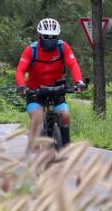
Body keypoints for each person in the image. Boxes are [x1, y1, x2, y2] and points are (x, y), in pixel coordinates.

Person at [15, 18, 86, 148]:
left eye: (53, 37)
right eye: (46, 36)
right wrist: (21, 85)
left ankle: (64, 147)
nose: (49, 39)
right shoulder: (31, 50)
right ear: (40, 36)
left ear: (58, 36)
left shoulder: (63, 47)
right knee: (37, 118)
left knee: (65, 115)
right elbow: (20, 70)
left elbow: (73, 65)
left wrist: (79, 81)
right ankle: (36, 153)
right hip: (35, 90)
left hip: (57, 88)